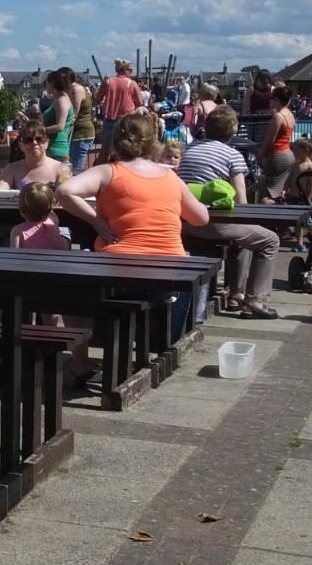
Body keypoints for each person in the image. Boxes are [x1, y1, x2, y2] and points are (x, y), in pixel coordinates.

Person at [56, 113, 209, 379]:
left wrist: (97, 222)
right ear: (153, 143)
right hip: (169, 274)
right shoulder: (170, 176)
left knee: (69, 292)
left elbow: (64, 191)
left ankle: (80, 363)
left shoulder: (109, 171)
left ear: (116, 141)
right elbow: (201, 218)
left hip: (119, 271)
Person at [176, 106, 280, 319]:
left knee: (243, 238)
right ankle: (254, 300)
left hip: (182, 220)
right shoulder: (233, 155)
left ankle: (237, 295)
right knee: (269, 240)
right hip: (212, 223)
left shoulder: (189, 149)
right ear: (233, 132)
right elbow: (241, 203)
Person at [0, 121, 63, 193]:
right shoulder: (12, 169)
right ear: (21, 145)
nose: (34, 143)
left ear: (47, 143)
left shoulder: (60, 169)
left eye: (39, 139)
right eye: (28, 140)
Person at [22, 69, 74, 162]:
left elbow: (60, 126)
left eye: (47, 82)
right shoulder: (59, 99)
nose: (45, 85)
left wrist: (39, 131)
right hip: (53, 147)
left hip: (56, 148)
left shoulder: (61, 101)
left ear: (52, 83)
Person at [258, 86, 296, 202]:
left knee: (267, 195)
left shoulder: (278, 117)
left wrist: (260, 154)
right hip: (289, 154)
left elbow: (270, 140)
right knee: (279, 191)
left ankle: (265, 216)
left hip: (277, 156)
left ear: (277, 100)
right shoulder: (290, 115)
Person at [97, 59, 140, 161]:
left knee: (105, 150)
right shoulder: (132, 83)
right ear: (125, 70)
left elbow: (98, 98)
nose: (131, 72)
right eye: (130, 70)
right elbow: (140, 102)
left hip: (109, 119)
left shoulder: (108, 81)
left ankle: (101, 171)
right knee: (126, 149)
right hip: (126, 119)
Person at [10, 182, 69, 251]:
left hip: (30, 260)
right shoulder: (53, 220)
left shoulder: (17, 231)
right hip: (55, 258)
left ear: (21, 210)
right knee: (66, 234)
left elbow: (15, 253)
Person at [66, 67, 96, 175]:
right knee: (75, 167)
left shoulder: (76, 90)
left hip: (81, 133)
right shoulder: (76, 89)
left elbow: (73, 114)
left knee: (76, 170)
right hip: (80, 132)